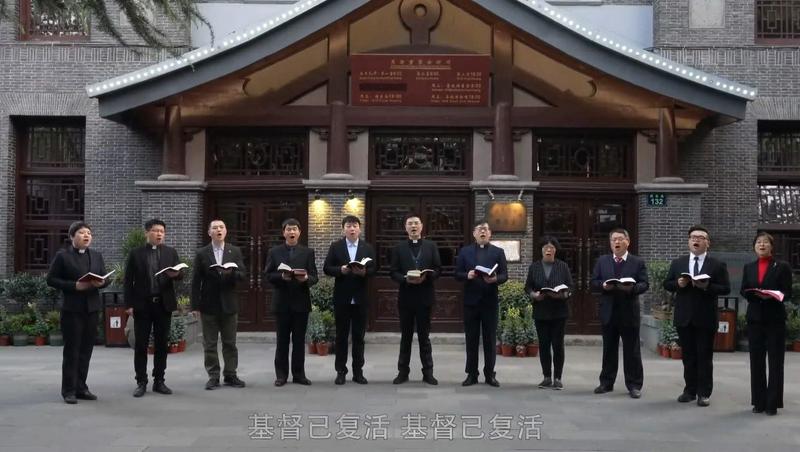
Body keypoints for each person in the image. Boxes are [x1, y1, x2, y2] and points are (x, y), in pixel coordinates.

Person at [663, 225, 730, 407]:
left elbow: (725, 288)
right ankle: (689, 390)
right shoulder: (679, 263)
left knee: (704, 356)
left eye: (701, 237)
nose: (696, 240)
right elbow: (667, 284)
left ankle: (704, 392)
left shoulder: (716, 264)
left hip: (705, 317)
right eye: (693, 237)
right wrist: (678, 283)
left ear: (707, 243)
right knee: (689, 356)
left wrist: (706, 286)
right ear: (688, 241)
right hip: (684, 317)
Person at [46, 221, 110, 404]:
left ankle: (82, 387)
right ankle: (68, 390)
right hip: (72, 309)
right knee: (72, 351)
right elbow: (51, 280)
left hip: (92, 308)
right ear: (72, 237)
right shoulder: (62, 256)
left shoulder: (97, 256)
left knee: (86, 350)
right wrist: (74, 285)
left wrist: (102, 283)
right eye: (82, 233)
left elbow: (106, 278)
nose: (86, 236)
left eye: (89, 233)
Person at [124, 219, 184, 398]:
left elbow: (180, 274)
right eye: (156, 231)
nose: (159, 234)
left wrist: (177, 274)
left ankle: (159, 380)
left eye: (162, 231)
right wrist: (128, 305)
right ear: (147, 233)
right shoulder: (136, 253)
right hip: (143, 305)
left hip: (163, 304)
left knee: (161, 344)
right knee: (141, 345)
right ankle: (141, 381)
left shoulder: (170, 252)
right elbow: (128, 281)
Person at [590, 227, 649, 399]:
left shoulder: (637, 262)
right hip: (608, 311)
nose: (616, 242)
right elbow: (593, 282)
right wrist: (603, 286)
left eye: (620, 239)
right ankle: (606, 382)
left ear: (627, 242)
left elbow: (644, 284)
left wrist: (631, 288)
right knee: (609, 349)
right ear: (610, 243)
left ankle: (634, 385)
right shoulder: (602, 261)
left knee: (632, 350)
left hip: (628, 311)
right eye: (613, 239)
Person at [740, 232, 793, 416]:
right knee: (756, 361)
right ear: (754, 246)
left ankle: (772, 403)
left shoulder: (782, 266)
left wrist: (772, 295)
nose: (761, 245)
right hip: (755, 318)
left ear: (771, 247)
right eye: (758, 242)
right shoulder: (749, 267)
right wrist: (753, 293)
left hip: (775, 319)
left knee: (776, 361)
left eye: (765, 243)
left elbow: (787, 291)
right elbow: (743, 289)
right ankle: (759, 401)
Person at [190, 219, 247, 390]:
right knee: (210, 343)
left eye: (221, 227)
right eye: (215, 228)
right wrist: (195, 306)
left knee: (230, 342)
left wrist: (231, 273)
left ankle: (231, 374)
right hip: (209, 304)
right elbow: (195, 281)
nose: (218, 230)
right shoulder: (202, 253)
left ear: (226, 231)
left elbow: (243, 274)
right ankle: (213, 376)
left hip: (229, 304)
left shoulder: (234, 251)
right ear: (209, 233)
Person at [323, 215, 376, 385]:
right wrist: (341, 270)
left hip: (360, 298)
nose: (352, 229)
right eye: (348, 226)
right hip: (342, 298)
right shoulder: (336, 246)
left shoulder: (367, 248)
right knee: (341, 336)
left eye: (355, 226)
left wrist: (365, 272)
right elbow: (326, 268)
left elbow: (375, 268)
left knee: (359, 337)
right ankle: (340, 371)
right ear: (343, 229)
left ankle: (358, 372)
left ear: (359, 229)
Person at [265, 218, 318, 386]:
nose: (292, 232)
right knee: (282, 341)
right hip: (281, 303)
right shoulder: (274, 252)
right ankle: (281, 375)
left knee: (299, 341)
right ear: (284, 233)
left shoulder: (308, 252)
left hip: (301, 302)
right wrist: (281, 276)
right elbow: (267, 275)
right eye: (288, 229)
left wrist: (306, 278)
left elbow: (314, 276)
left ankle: (299, 374)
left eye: (294, 229)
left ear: (299, 232)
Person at [390, 214, 442, 385]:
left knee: (424, 337)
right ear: (406, 228)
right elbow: (393, 272)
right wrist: (405, 279)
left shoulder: (431, 246)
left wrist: (427, 276)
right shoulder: (398, 247)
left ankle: (428, 372)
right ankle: (402, 372)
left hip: (425, 297)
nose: (413, 226)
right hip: (406, 298)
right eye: (410, 224)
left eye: (416, 223)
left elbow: (438, 269)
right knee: (405, 337)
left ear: (421, 227)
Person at [454, 220, 507, 387]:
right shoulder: (465, 251)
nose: (483, 232)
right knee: (471, 339)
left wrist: (495, 279)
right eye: (479, 229)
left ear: (490, 234)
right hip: (471, 302)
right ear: (474, 234)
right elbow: (457, 274)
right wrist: (466, 275)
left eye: (486, 229)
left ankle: (490, 374)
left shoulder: (498, 252)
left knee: (490, 339)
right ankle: (471, 374)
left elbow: (504, 275)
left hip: (489, 301)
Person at [524, 236, 574, 390]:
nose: (548, 250)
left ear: (555, 250)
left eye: (551, 247)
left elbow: (570, 287)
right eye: (546, 247)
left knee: (558, 345)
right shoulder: (535, 267)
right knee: (544, 345)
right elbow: (528, 287)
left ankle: (558, 378)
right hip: (541, 311)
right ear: (541, 250)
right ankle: (546, 377)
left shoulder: (563, 266)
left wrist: (562, 295)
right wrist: (534, 295)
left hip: (559, 311)